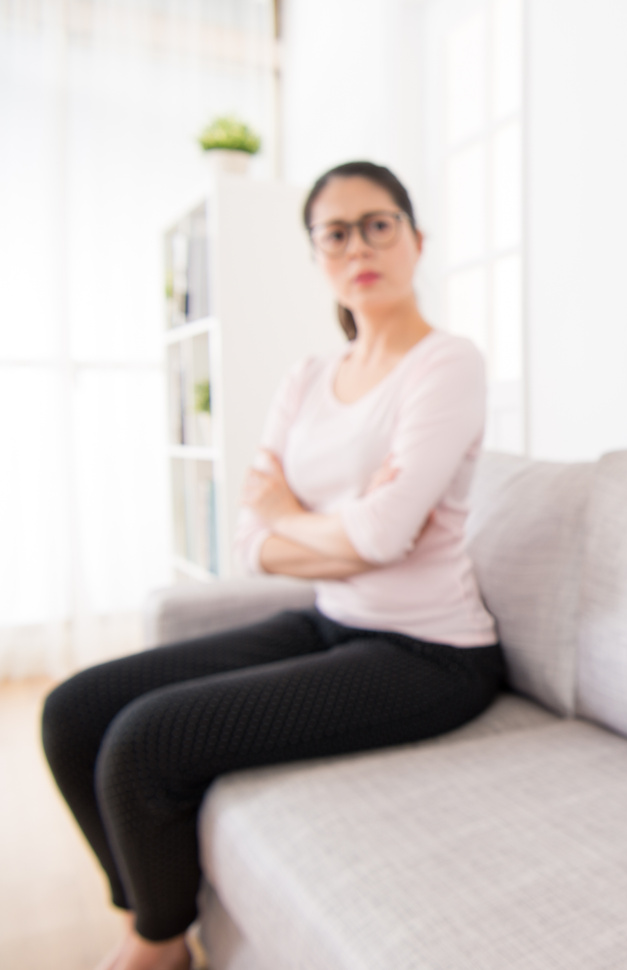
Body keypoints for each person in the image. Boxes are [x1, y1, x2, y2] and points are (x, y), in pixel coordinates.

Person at [41, 161, 504, 970]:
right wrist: (335, 528)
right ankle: (147, 911)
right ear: (316, 254)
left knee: (142, 744)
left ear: (415, 239)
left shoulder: (446, 364)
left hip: (433, 656)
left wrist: (294, 514)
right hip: (330, 621)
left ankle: (158, 945)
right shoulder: (306, 379)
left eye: (378, 223)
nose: (358, 244)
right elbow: (251, 541)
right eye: (335, 231)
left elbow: (382, 536)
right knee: (75, 712)